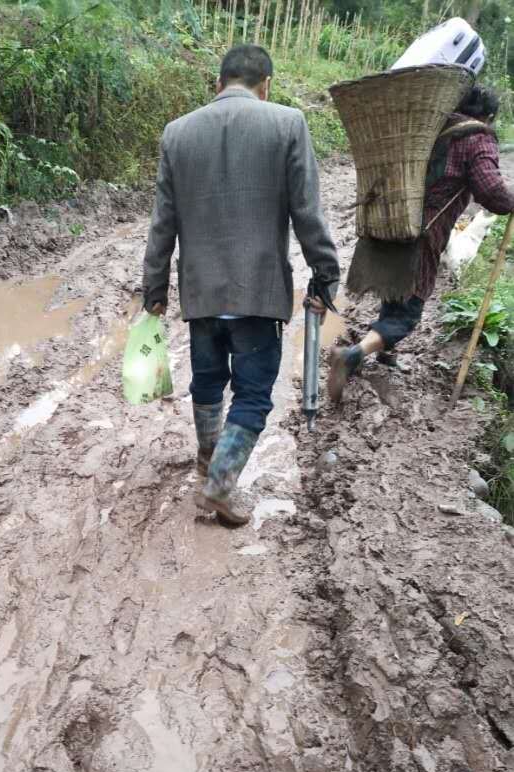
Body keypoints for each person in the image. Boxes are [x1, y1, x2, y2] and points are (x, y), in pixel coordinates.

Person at [142, 44, 340, 526]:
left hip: (202, 293)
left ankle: (210, 462)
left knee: (207, 382)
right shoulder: (287, 123)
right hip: (258, 291)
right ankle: (220, 484)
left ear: (218, 82)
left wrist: (153, 288)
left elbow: (162, 223)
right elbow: (306, 212)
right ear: (265, 84)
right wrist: (325, 270)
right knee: (252, 395)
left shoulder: (177, 133)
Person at [328, 84, 514, 402]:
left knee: (397, 287)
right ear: (489, 116)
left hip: (392, 218)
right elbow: (491, 192)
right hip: (424, 231)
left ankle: (386, 353)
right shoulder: (477, 137)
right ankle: (355, 355)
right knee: (408, 314)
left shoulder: (429, 125)